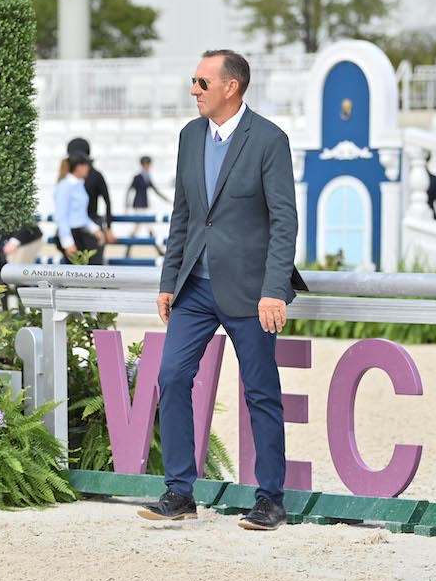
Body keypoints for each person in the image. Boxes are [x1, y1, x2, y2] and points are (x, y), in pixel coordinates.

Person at [138, 49, 304, 531]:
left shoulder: (270, 139)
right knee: (170, 377)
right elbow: (184, 215)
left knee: (260, 393)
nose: (194, 90)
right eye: (193, 81)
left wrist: (275, 289)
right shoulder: (190, 137)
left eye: (201, 82)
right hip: (194, 288)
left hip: (253, 293)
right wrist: (170, 281)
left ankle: (270, 500)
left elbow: (284, 220)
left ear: (230, 87)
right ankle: (179, 492)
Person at [67, 137, 117, 254]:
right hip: (76, 225)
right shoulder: (69, 179)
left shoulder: (96, 176)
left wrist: (109, 228)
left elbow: (107, 201)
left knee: (93, 266)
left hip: (90, 222)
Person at [54, 152, 105, 265]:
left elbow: (80, 215)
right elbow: (61, 216)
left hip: (80, 233)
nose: (88, 168)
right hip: (71, 234)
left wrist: (94, 229)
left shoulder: (78, 184)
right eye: (86, 165)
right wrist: (68, 242)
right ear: (78, 167)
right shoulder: (65, 186)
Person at [125, 155, 171, 257]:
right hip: (138, 206)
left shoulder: (147, 176)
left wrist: (166, 199)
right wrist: (126, 206)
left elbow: (155, 189)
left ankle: (129, 250)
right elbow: (129, 190)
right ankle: (128, 250)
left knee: (146, 228)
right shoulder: (137, 177)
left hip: (144, 205)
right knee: (139, 228)